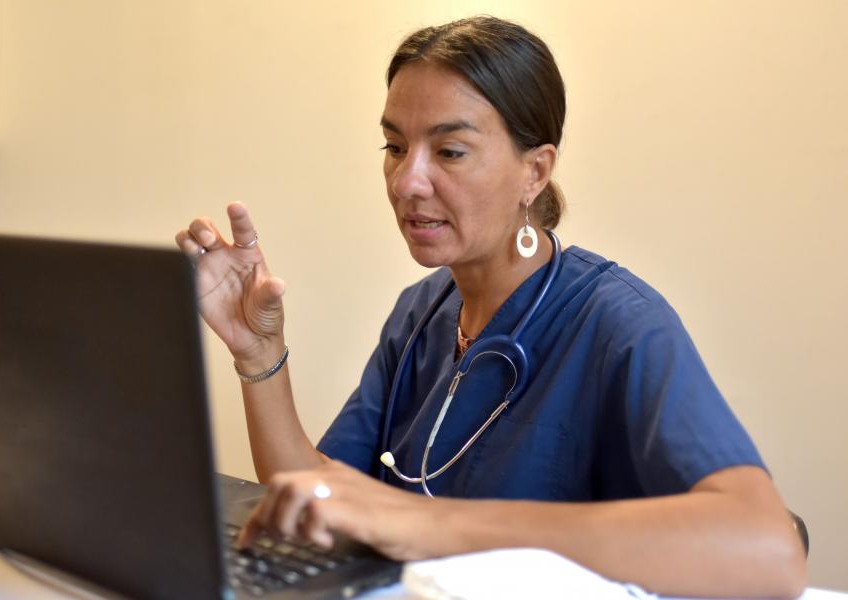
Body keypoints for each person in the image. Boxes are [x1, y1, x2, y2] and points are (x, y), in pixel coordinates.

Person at [175, 16, 806, 599]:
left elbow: (771, 549)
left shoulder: (618, 322)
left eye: (448, 151)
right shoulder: (422, 312)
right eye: (394, 147)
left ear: (535, 172)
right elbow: (317, 497)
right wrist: (258, 355)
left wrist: (432, 523)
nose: (406, 181)